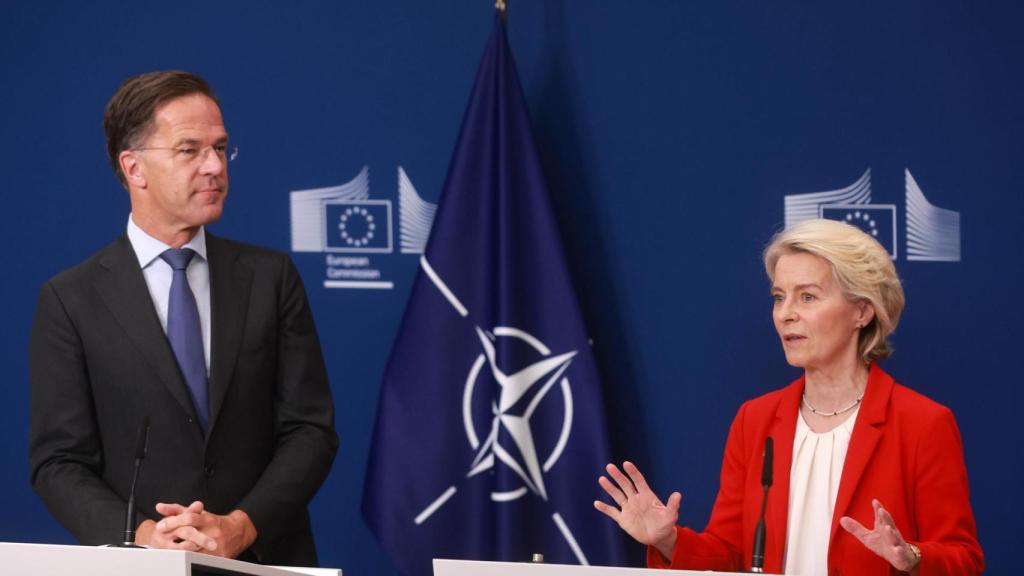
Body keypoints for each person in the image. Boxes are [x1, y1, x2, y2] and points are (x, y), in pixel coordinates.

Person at [29, 70, 338, 566]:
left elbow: (310, 429)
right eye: (189, 150)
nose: (214, 166)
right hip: (138, 564)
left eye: (220, 148)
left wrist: (241, 526)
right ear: (134, 168)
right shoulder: (71, 299)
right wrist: (144, 536)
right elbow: (58, 461)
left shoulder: (270, 277)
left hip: (263, 556)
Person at [594, 219, 983, 574]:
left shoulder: (922, 422)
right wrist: (668, 540)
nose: (785, 314)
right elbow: (730, 556)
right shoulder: (756, 419)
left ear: (862, 311)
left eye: (807, 297)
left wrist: (910, 556)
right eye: (779, 297)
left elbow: (963, 558)